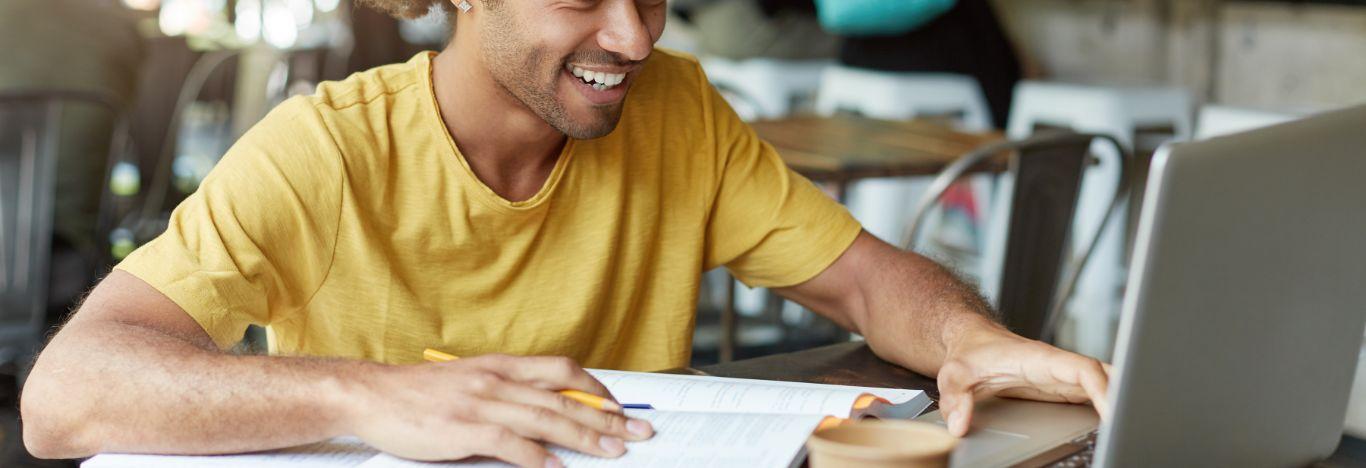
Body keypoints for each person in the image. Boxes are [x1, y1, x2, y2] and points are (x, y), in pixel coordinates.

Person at [20, 1, 1110, 467]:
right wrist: (366, 393)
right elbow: (63, 397)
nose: (633, 36)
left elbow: (872, 286)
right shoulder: (327, 150)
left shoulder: (678, 110)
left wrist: (967, 339)